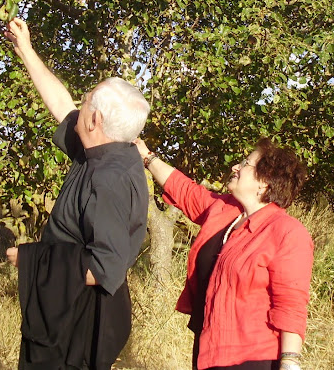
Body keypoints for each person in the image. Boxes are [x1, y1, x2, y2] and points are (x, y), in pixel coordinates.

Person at [3, 17, 150, 370]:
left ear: (94, 120)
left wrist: (33, 263)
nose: (78, 107)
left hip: (81, 321)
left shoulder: (109, 182)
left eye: (85, 103)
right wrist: (26, 50)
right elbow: (60, 103)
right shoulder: (106, 150)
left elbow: (104, 269)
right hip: (70, 307)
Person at [135, 137, 314, 370]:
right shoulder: (226, 212)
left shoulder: (286, 232)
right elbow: (184, 190)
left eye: (245, 164)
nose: (235, 167)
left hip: (249, 358)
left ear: (265, 182)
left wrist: (290, 360)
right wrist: (146, 156)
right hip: (208, 348)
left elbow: (291, 304)